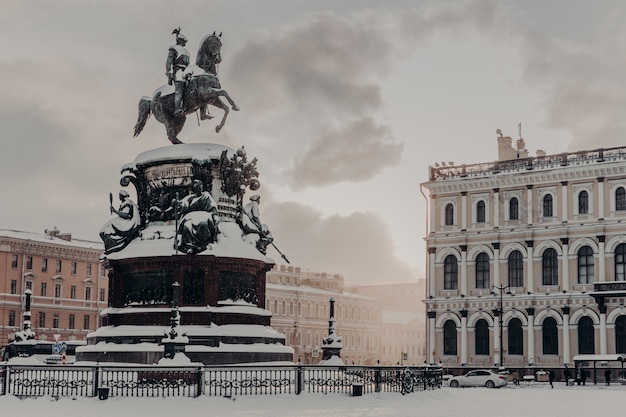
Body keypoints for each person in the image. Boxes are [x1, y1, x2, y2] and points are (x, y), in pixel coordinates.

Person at [176, 180, 219, 254]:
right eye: (197, 187)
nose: (199, 188)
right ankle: (189, 245)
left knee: (203, 224)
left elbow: (213, 207)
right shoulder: (190, 198)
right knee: (186, 226)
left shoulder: (206, 195)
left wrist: (214, 215)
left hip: (204, 215)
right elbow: (183, 205)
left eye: (200, 187)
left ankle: (202, 244)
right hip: (191, 216)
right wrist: (177, 204)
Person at [166, 28, 191, 116]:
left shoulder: (187, 52)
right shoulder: (174, 49)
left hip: (187, 72)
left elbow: (189, 64)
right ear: (179, 40)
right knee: (179, 90)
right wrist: (169, 73)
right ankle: (177, 108)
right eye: (184, 41)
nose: (185, 43)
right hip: (178, 72)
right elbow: (168, 62)